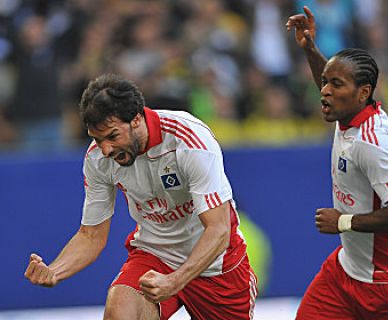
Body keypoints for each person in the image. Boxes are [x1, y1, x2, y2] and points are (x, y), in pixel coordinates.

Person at [24, 74, 257, 320]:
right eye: (97, 139)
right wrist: (53, 271)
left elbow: (218, 229)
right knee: (120, 311)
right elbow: (91, 235)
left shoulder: (188, 140)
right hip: (155, 255)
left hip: (215, 264)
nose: (105, 149)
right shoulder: (98, 159)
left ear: (136, 119)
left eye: (113, 136)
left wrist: (175, 280)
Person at [286, 7, 388, 319]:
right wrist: (311, 49)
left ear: (363, 92)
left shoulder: (371, 143)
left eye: (335, 85)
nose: (324, 92)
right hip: (344, 275)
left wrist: (343, 221)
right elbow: (332, 86)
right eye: (325, 82)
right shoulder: (349, 112)